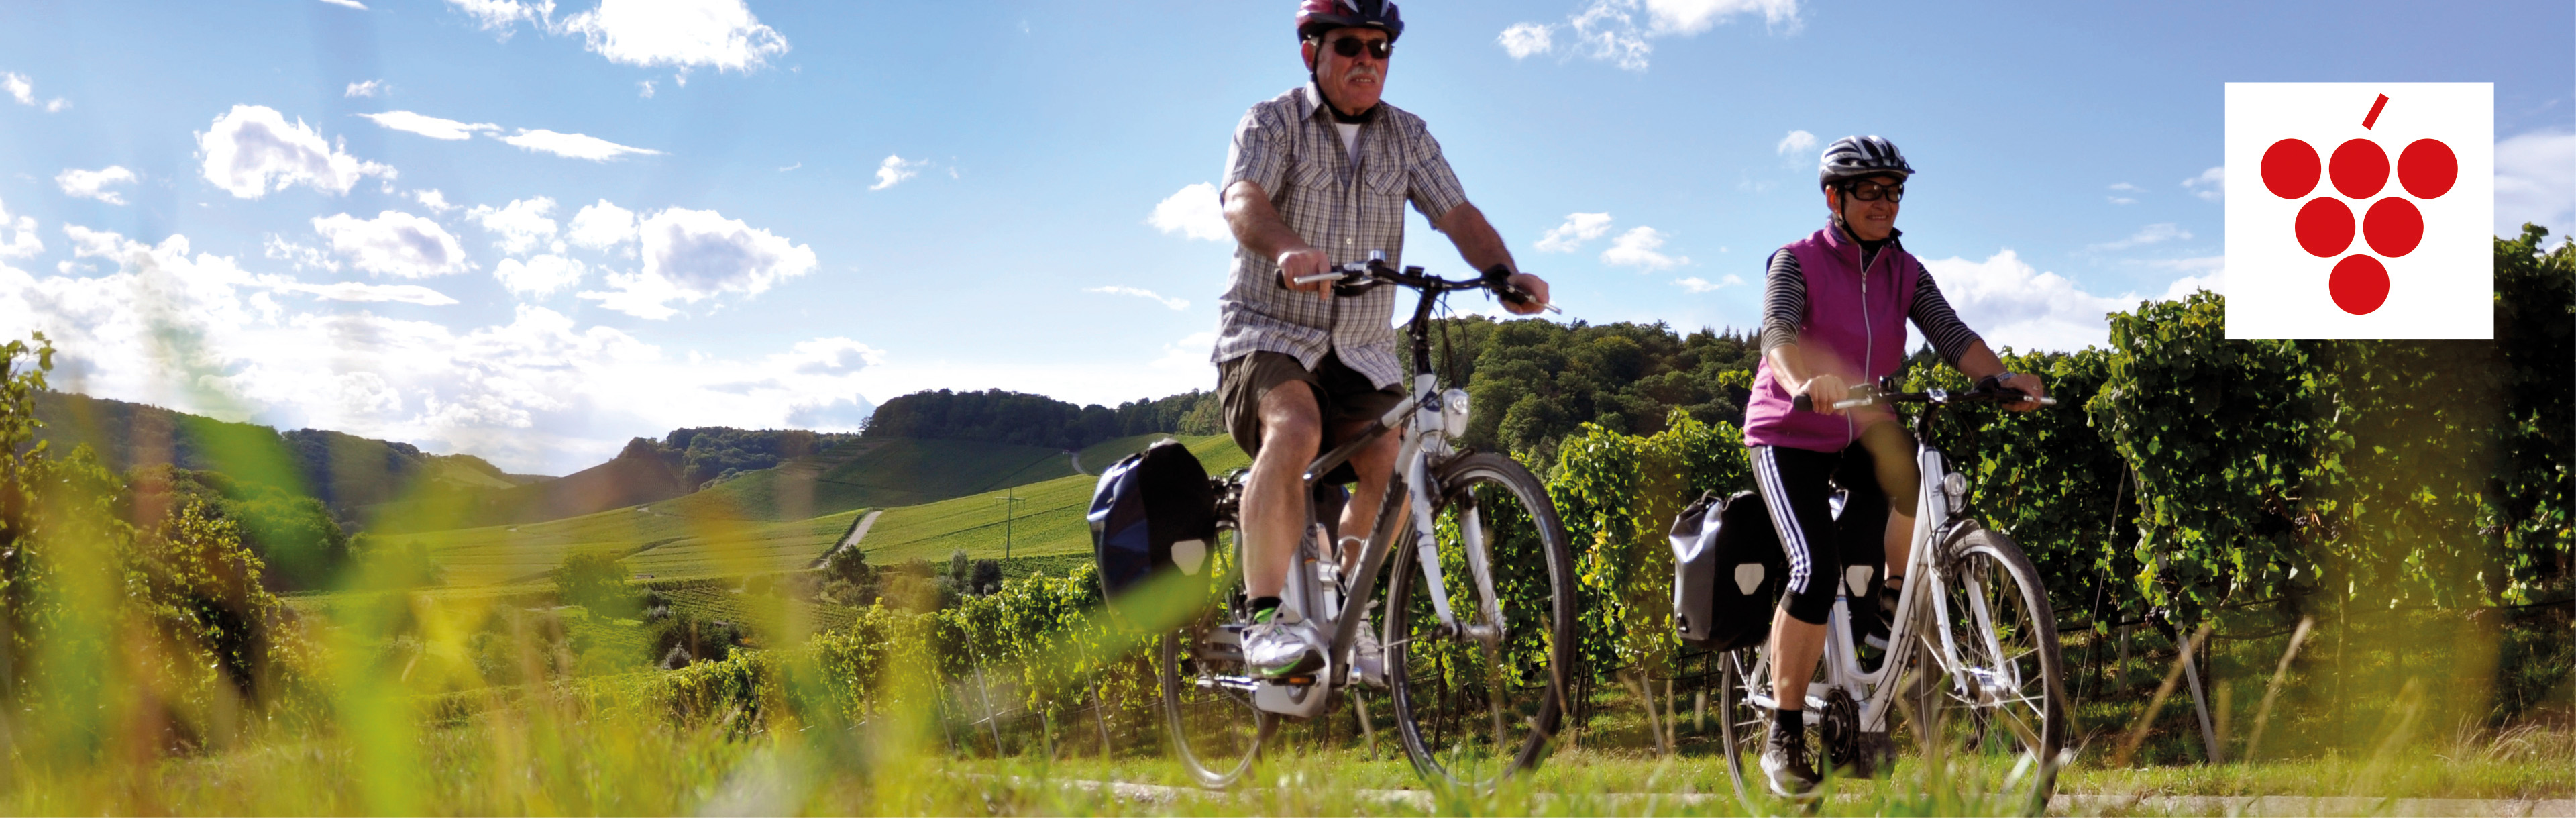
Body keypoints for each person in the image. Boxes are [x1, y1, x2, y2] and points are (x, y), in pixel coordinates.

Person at [1214, 0, 1552, 681]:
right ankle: (1265, 619)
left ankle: (1349, 601)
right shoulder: (1272, 121)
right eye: (1349, 47)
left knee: (1395, 457)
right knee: (1297, 424)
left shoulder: (1408, 136)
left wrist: (1503, 274)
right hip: (1268, 333)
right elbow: (1242, 199)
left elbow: (1457, 212)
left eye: (1380, 47)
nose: (1367, 60)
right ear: (1313, 51)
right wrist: (1287, 250)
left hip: (1362, 349)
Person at [1743, 135, 2045, 795]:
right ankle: (1785, 732)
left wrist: (1998, 378)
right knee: (1814, 568)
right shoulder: (1795, 261)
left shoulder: (1903, 270)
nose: (1885, 202)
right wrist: (1803, 381)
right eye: (1870, 191)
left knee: (1911, 474)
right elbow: (1777, 336)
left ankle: (1885, 596)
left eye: (1894, 191)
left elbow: (1953, 334)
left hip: (1862, 424)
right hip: (1788, 429)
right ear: (1835, 197)